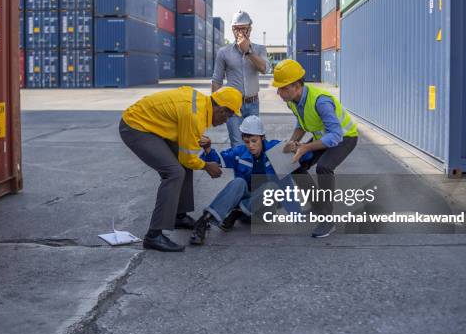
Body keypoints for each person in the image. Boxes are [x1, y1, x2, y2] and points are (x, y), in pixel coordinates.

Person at [119, 86, 242, 252]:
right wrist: (206, 166)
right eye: (228, 115)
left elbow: (183, 133)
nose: (226, 121)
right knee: (174, 172)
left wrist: (192, 138)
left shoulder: (201, 103)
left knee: (182, 164)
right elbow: (188, 158)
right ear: (221, 110)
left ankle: (179, 215)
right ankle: (153, 235)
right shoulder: (195, 115)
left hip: (152, 124)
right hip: (136, 126)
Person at [190, 115, 312, 245]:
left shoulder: (276, 149)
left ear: (263, 138)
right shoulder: (240, 152)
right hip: (247, 198)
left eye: (254, 141)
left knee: (272, 187)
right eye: (247, 141)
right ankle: (204, 221)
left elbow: (307, 156)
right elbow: (217, 159)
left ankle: (237, 212)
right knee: (238, 183)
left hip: (265, 207)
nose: (250, 145)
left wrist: (295, 148)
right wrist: (207, 148)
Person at [271, 59, 359, 238]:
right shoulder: (293, 101)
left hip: (345, 137)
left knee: (324, 167)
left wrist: (305, 147)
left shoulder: (321, 101)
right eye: (278, 88)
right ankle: (318, 205)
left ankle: (328, 219)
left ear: (297, 86)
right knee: (292, 164)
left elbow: (335, 136)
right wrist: (293, 143)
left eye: (283, 88)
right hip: (322, 137)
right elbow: (302, 123)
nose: (278, 92)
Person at [212, 10, 271, 147]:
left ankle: (253, 168)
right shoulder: (223, 52)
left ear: (250, 29)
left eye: (243, 28)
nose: (240, 32)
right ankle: (240, 168)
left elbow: (265, 69)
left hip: (253, 103)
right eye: (236, 29)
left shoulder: (260, 49)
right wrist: (215, 107)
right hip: (232, 106)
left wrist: (248, 51)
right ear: (232, 30)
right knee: (237, 143)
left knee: (254, 144)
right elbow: (217, 80)